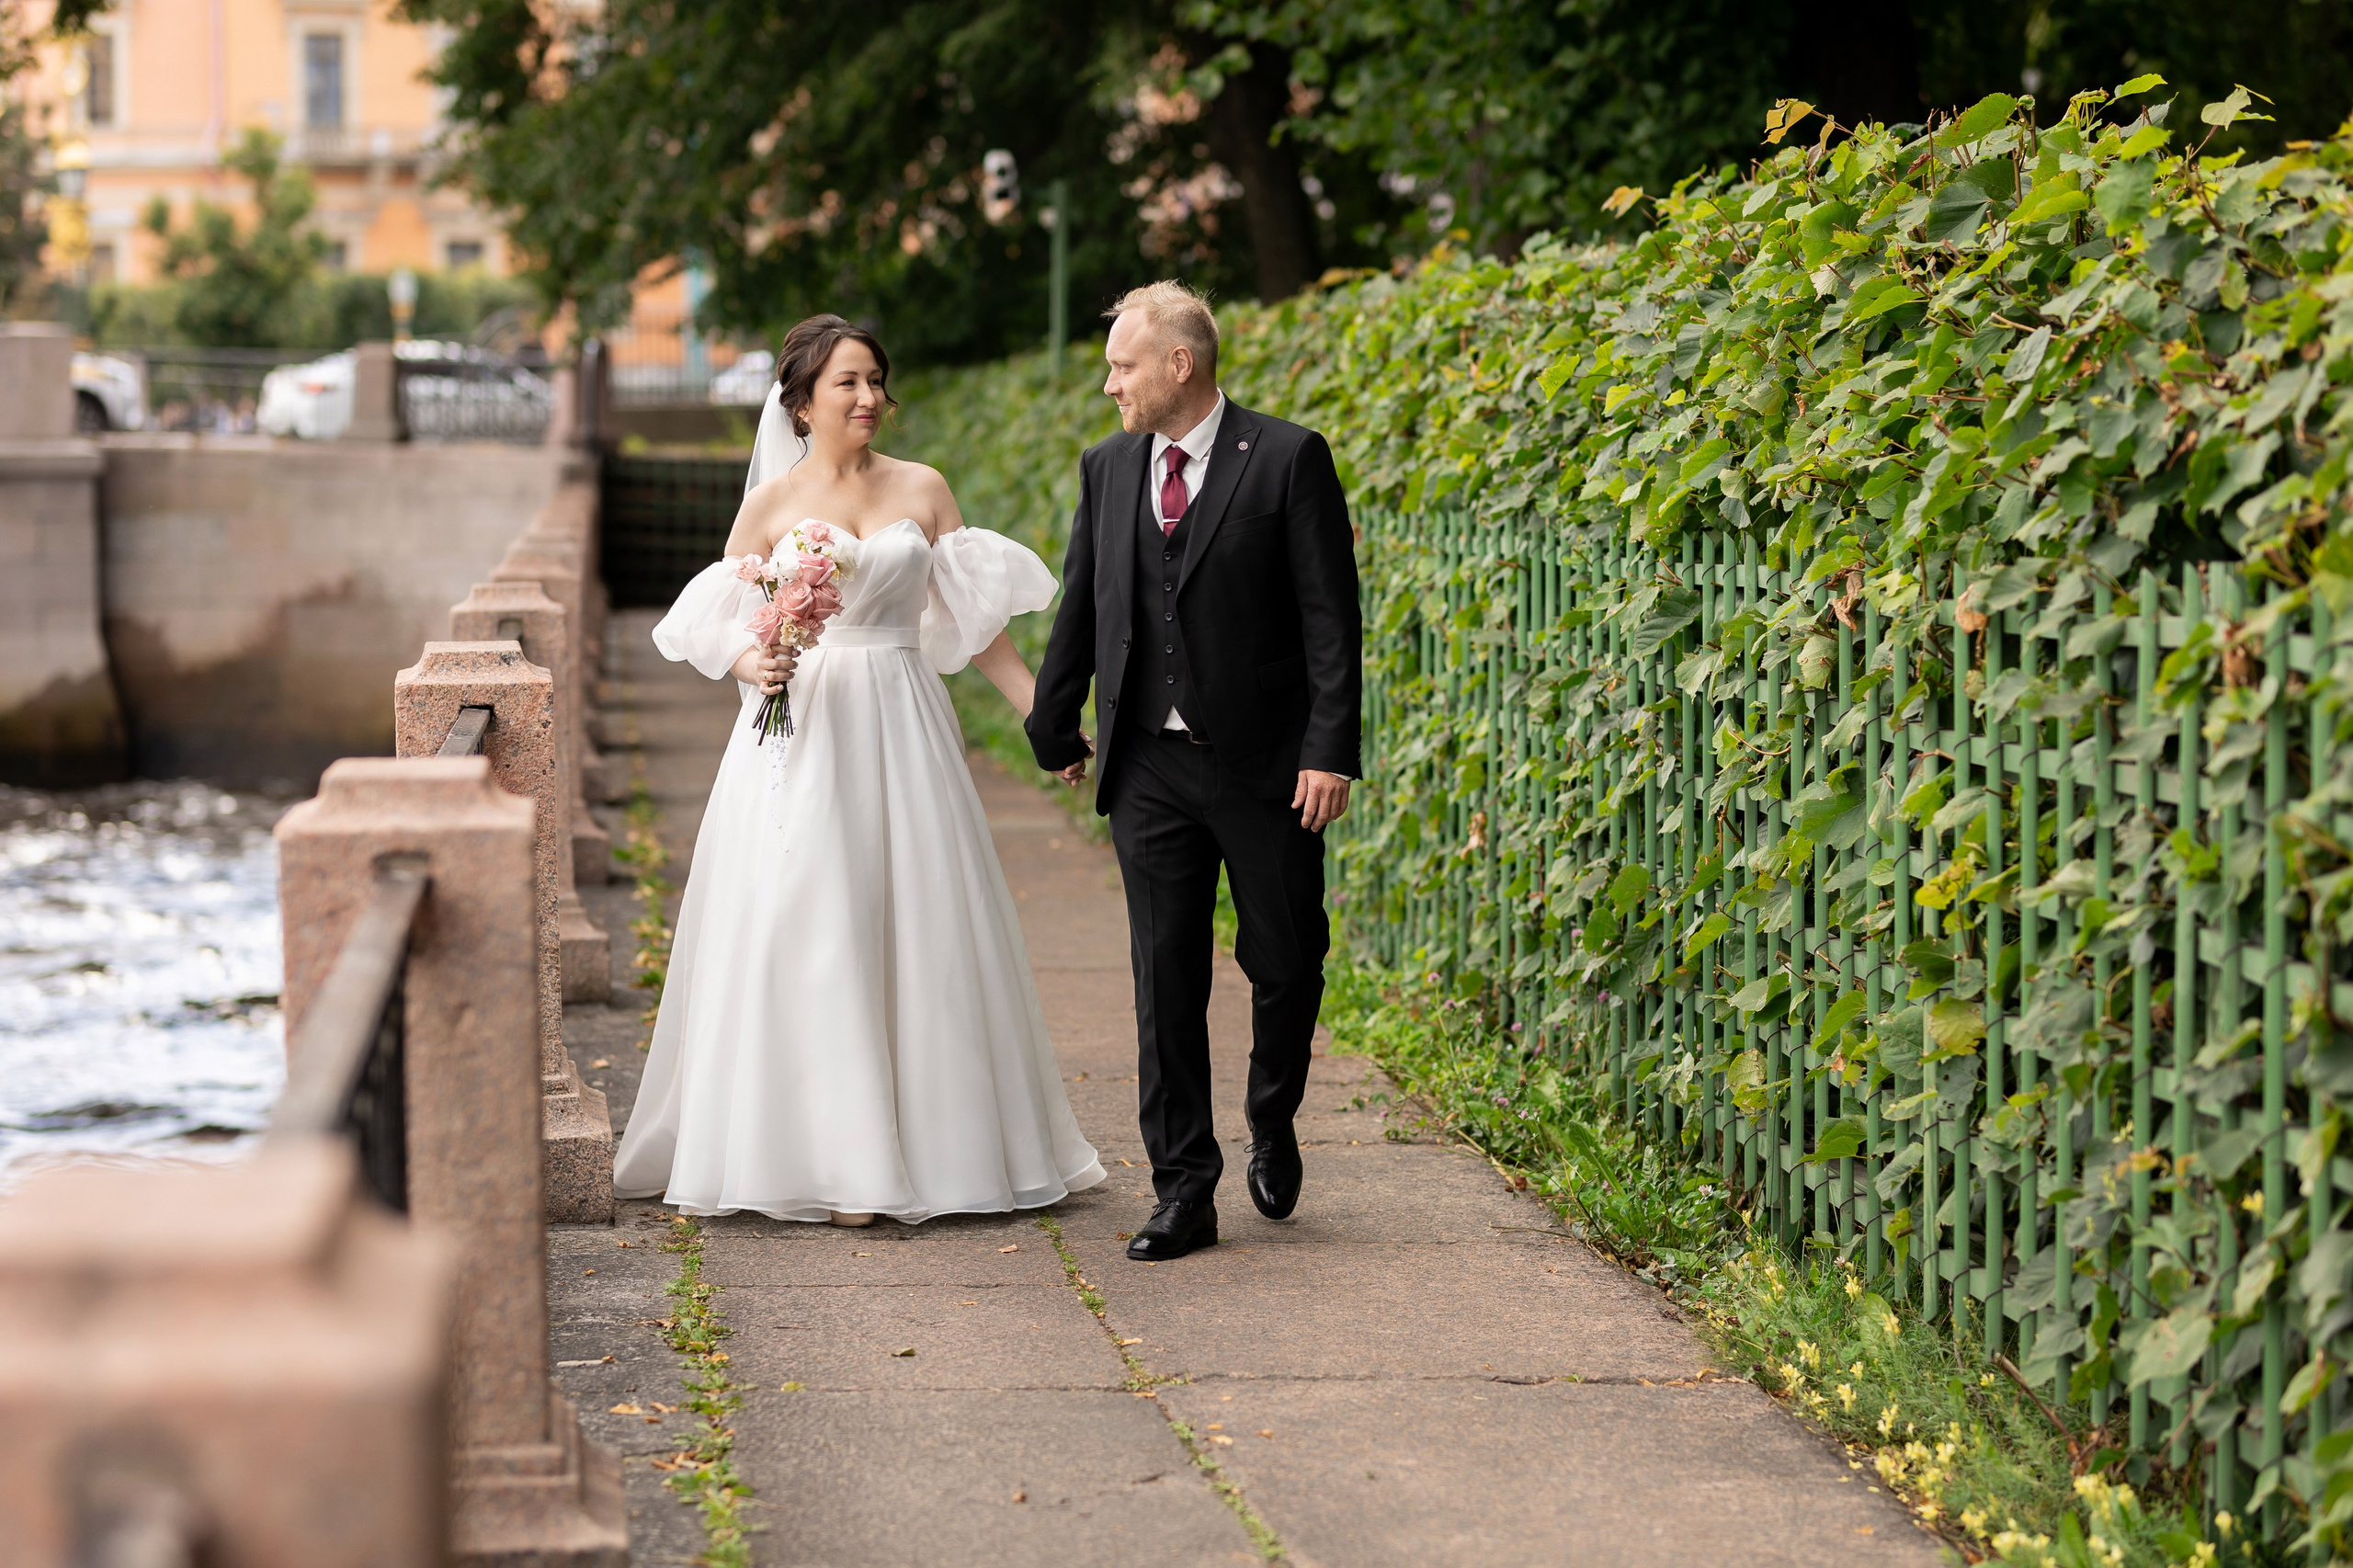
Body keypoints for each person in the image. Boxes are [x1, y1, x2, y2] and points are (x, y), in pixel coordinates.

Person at [612, 313, 1105, 1225]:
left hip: (902, 716)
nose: (869, 396)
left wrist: (1044, 716)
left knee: (913, 916)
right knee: (808, 919)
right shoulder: (767, 505)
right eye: (848, 382)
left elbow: (973, 623)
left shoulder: (923, 487)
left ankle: (928, 1143)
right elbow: (725, 618)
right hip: (801, 731)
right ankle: (828, 1157)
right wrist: (748, 664)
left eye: (875, 378)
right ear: (801, 401)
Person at [1026, 281, 1360, 1262]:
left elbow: (1328, 622)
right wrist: (1055, 723)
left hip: (1266, 768)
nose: (1108, 384)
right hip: (1149, 769)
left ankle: (1273, 1113)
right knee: (1162, 979)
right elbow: (1084, 603)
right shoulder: (1108, 466)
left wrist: (1328, 748)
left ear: (1180, 365)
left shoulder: (1289, 458)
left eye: (1122, 365)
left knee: (1287, 958)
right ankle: (1184, 1189)